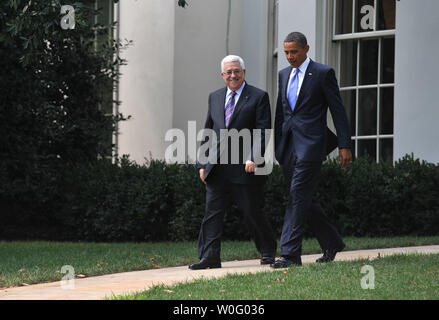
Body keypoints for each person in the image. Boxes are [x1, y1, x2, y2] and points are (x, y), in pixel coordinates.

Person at [271, 32, 352, 268]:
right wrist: (278, 147)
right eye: (286, 52)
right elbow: (281, 112)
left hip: (312, 146)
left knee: (297, 195)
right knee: (303, 198)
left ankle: (290, 254)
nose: (289, 57)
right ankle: (332, 242)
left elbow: (337, 110)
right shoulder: (283, 74)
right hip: (289, 147)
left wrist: (345, 144)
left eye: (294, 52)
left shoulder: (322, 73)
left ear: (306, 49)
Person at [189, 55, 277, 270]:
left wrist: (254, 158)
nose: (233, 75)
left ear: (244, 72)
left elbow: (262, 131)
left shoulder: (258, 97)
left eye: (237, 71)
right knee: (212, 213)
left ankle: (267, 251)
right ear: (222, 75)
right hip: (217, 167)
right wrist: (202, 163)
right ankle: (209, 257)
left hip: (246, 167)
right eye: (228, 72)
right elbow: (209, 130)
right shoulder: (215, 97)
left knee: (252, 211)